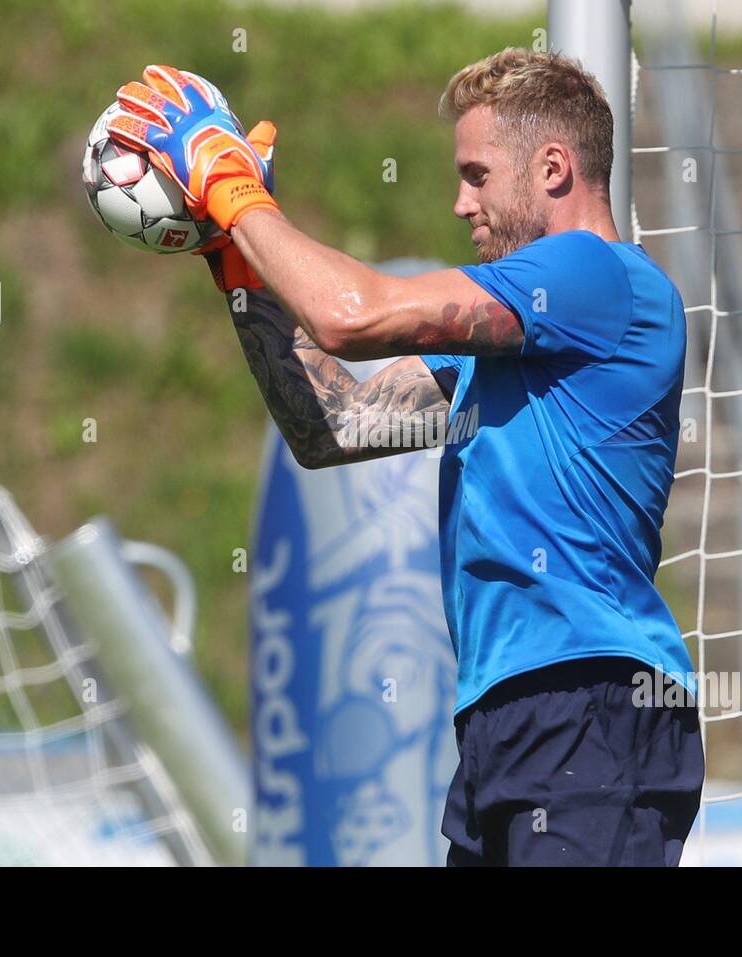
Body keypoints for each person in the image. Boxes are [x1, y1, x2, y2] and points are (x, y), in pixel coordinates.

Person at [106, 49, 704, 866]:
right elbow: (335, 427)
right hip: (511, 718)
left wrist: (229, 185)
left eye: (476, 174)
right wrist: (234, 257)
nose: (461, 203)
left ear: (555, 168)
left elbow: (349, 316)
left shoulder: (591, 273)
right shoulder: (517, 342)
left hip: (589, 700)